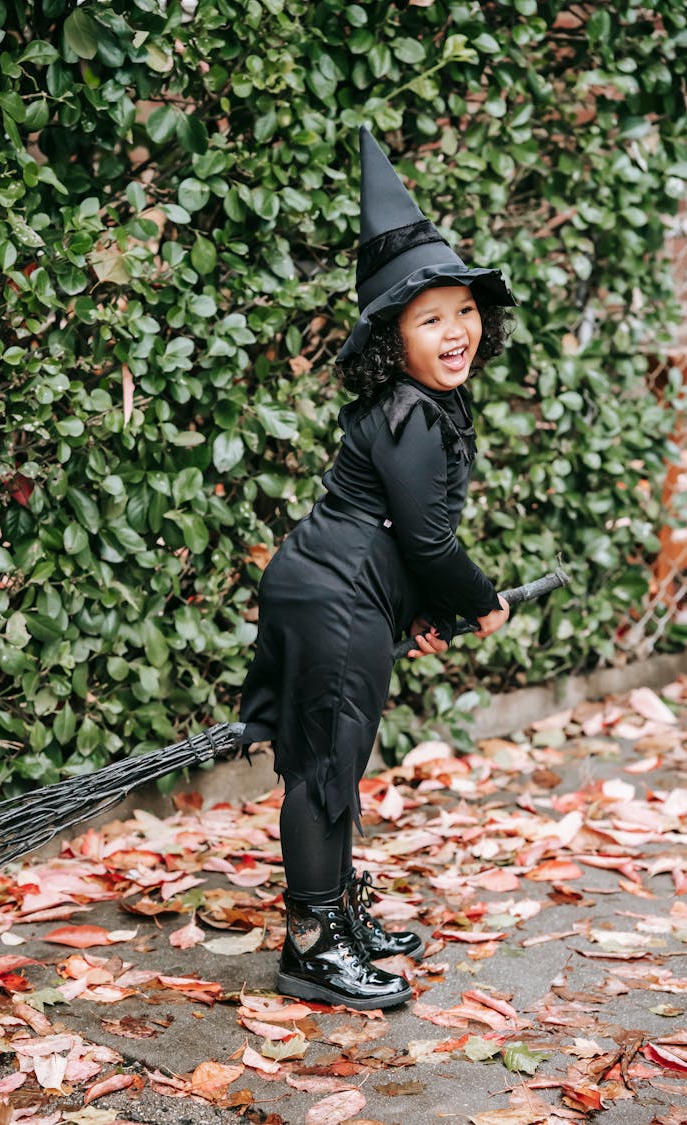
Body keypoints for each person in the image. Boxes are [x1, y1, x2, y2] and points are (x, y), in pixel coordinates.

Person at [239, 127, 516, 1011]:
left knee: (334, 759)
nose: (456, 330)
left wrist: (421, 614)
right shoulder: (412, 414)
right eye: (430, 317)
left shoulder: (417, 408)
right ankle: (313, 946)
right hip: (330, 597)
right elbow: (430, 545)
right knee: (323, 767)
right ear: (394, 336)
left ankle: (338, 918)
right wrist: (482, 603)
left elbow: (397, 536)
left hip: (336, 591)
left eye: (463, 310)